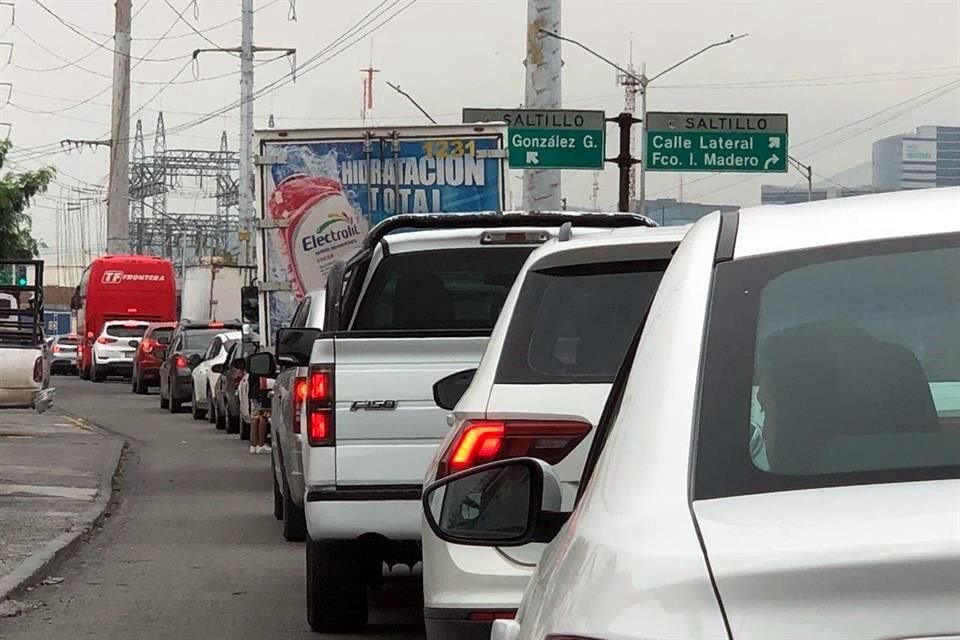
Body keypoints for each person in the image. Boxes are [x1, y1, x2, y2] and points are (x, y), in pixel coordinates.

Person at [247, 359, 272, 455]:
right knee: (263, 417)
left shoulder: (253, 367)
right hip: (262, 393)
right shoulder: (264, 368)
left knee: (254, 418)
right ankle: (261, 444)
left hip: (254, 393)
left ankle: (253, 445)